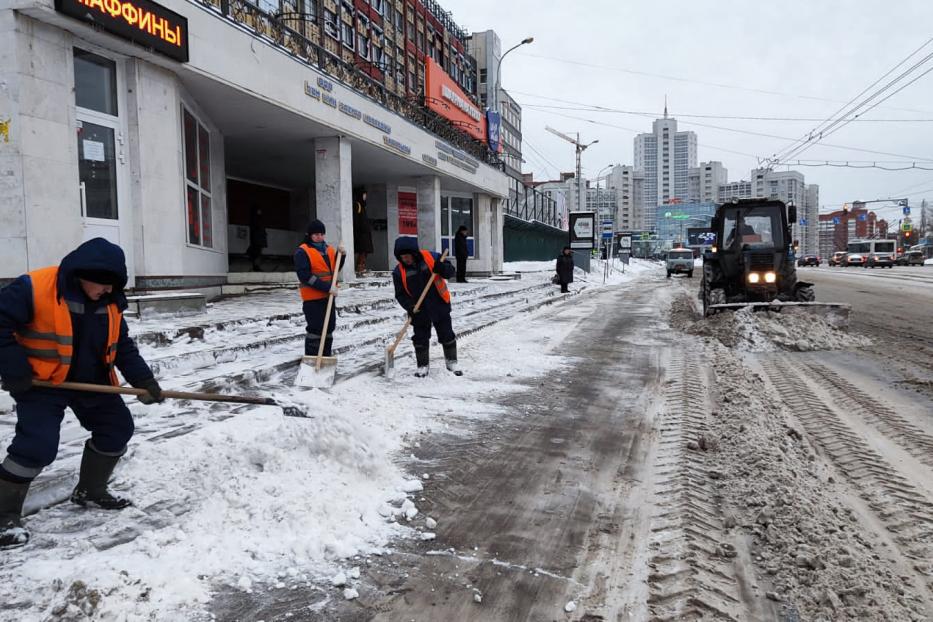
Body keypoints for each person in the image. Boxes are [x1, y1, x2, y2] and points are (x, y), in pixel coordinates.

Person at [0, 238, 164, 549]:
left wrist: (143, 380)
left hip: (92, 380)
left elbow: (123, 346)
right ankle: (3, 515)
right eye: (103, 285)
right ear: (82, 275)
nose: (108, 292)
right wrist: (14, 369)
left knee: (117, 429)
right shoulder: (34, 288)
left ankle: (90, 491)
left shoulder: (110, 300)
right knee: (37, 446)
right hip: (42, 383)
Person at [392, 237, 461, 378]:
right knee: (420, 338)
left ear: (414, 253)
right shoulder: (398, 272)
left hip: (439, 303)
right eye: (402, 257)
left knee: (446, 334)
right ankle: (422, 365)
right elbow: (400, 294)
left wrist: (442, 268)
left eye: (407, 256)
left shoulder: (432, 257)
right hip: (419, 308)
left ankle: (452, 362)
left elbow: (451, 272)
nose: (405, 260)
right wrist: (409, 307)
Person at [294, 220, 346, 357]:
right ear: (309, 235)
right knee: (316, 330)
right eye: (316, 234)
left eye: (322, 234)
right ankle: (312, 359)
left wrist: (342, 256)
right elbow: (305, 276)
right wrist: (327, 287)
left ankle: (325, 357)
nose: (320, 237)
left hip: (328, 297)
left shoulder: (328, 250)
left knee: (329, 328)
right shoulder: (302, 251)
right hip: (313, 298)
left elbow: (335, 270)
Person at [352, 188, 373, 276]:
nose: (365, 197)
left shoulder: (363, 206)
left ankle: (362, 266)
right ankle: (360, 267)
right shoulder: (357, 205)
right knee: (362, 251)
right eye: (364, 195)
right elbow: (356, 219)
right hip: (361, 234)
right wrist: (360, 229)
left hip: (365, 233)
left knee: (365, 251)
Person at [246, 205, 267, 272]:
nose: (260, 211)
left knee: (257, 253)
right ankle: (256, 266)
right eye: (259, 210)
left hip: (258, 239)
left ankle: (256, 266)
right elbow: (256, 230)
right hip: (257, 239)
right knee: (256, 253)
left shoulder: (257, 219)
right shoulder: (255, 219)